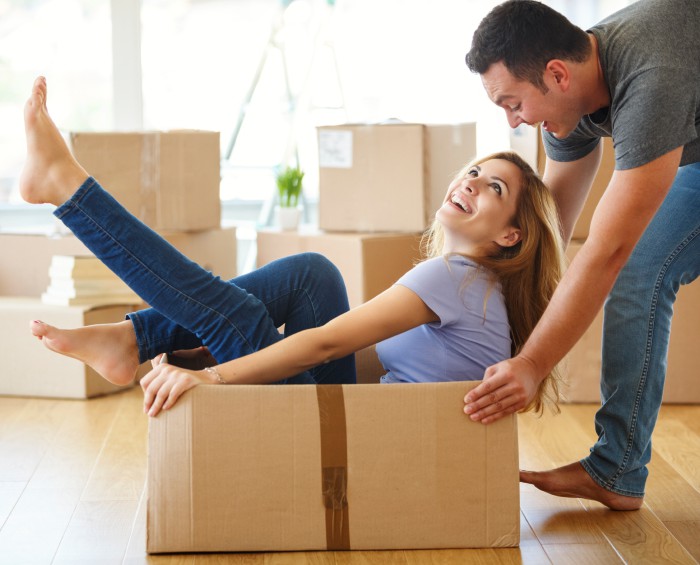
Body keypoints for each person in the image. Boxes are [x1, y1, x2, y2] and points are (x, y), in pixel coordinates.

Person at [22, 76, 564, 418]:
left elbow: (326, 345)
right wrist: (222, 348)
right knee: (313, 274)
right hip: (355, 416)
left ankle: (70, 192)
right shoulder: (473, 286)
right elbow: (363, 359)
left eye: (493, 188)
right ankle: (130, 339)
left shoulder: (454, 278)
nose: (469, 182)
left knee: (233, 313)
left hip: (343, 437)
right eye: (472, 171)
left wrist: (210, 374)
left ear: (509, 236)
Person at [462, 0, 700, 511]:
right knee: (637, 267)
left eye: (513, 104)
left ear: (556, 76)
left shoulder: (652, 79)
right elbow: (548, 234)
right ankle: (617, 472)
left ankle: (615, 466)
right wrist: (481, 322)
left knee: (634, 264)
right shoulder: (573, 92)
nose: (517, 121)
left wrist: (530, 364)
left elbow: (606, 250)